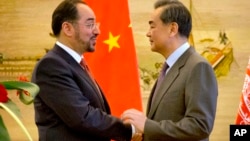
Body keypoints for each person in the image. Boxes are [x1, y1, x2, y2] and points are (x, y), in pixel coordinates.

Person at [31, 0, 134, 141]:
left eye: (96, 24)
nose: (97, 31)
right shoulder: (51, 65)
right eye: (90, 24)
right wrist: (130, 129)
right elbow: (82, 117)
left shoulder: (74, 63)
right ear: (67, 28)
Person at [122, 0, 218, 141]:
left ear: (172, 29)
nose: (148, 34)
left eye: (152, 26)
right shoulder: (170, 67)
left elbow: (200, 126)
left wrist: (147, 126)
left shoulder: (198, 66)